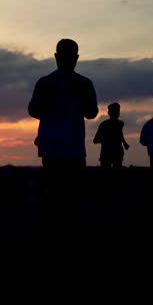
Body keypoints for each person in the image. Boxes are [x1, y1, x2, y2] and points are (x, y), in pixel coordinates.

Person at [28, 38, 98, 204]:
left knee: (53, 195)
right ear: (77, 57)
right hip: (73, 147)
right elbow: (91, 113)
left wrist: (51, 112)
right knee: (73, 196)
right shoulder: (84, 84)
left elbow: (33, 110)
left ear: (56, 57)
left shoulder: (45, 83)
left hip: (52, 147)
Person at [93, 102, 130, 170]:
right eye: (117, 112)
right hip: (111, 153)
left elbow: (120, 134)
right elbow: (95, 140)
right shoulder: (118, 124)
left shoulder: (105, 124)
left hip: (110, 153)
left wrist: (124, 143)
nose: (118, 114)